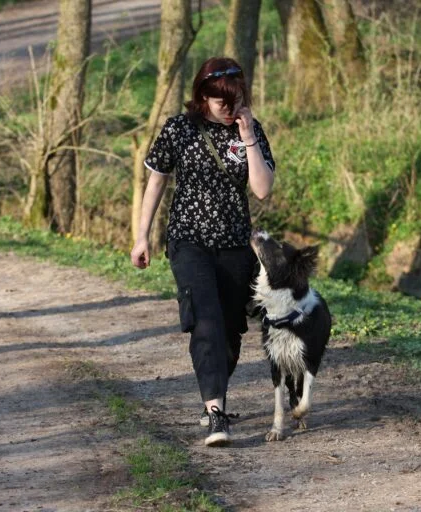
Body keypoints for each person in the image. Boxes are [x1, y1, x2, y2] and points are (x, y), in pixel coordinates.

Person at [130, 57, 275, 447]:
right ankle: (216, 413)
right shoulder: (179, 129)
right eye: (221, 102)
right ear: (203, 97)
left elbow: (262, 190)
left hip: (234, 245)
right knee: (206, 321)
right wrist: (141, 236)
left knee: (230, 330)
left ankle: (214, 398)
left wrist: (247, 137)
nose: (229, 108)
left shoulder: (250, 131)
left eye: (236, 99)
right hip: (188, 239)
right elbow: (156, 182)